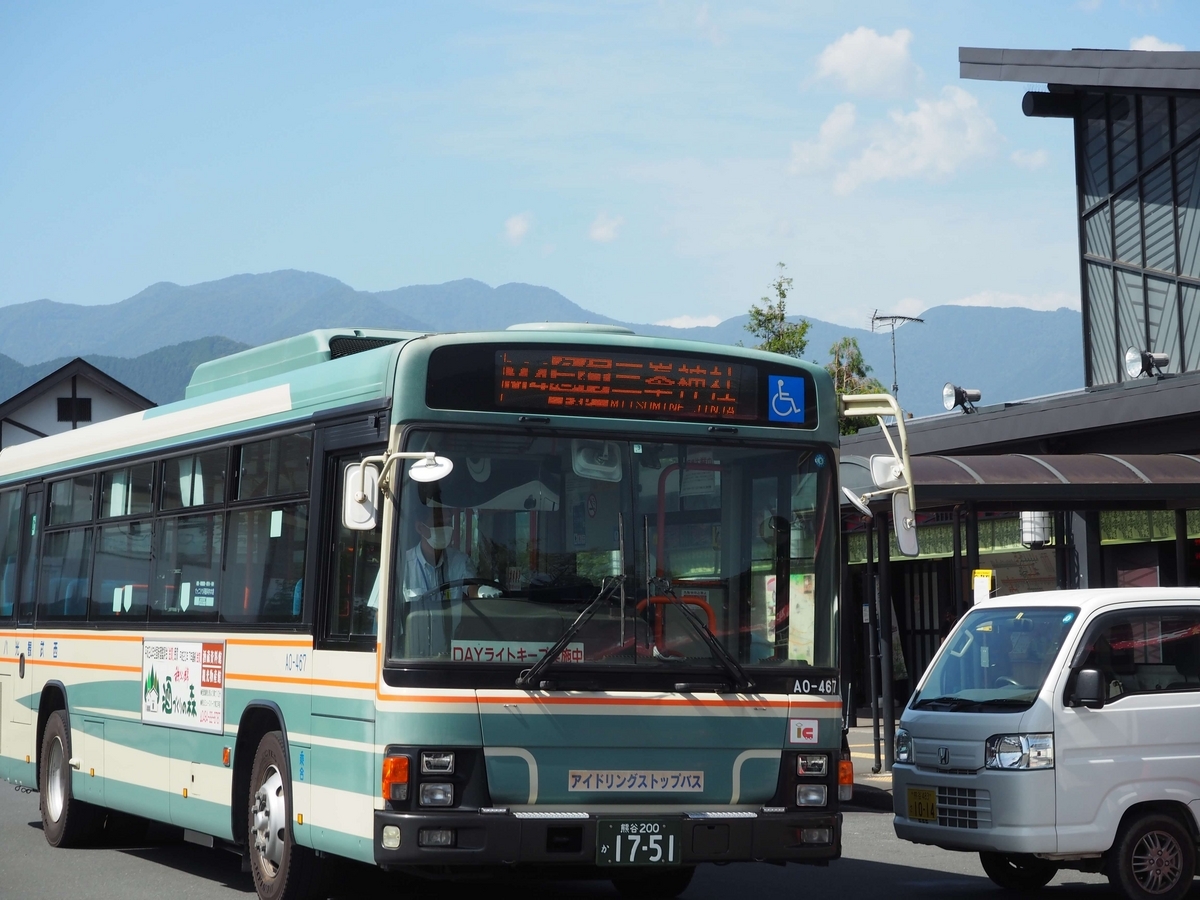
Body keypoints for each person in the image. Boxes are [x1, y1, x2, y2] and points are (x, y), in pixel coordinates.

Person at [399, 503, 500, 656]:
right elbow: (380, 617)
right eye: (439, 524)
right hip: (411, 659)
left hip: (450, 657)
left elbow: (473, 588)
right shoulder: (399, 565)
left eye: (448, 523)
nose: (446, 529)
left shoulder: (459, 561)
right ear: (420, 527)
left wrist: (482, 592)